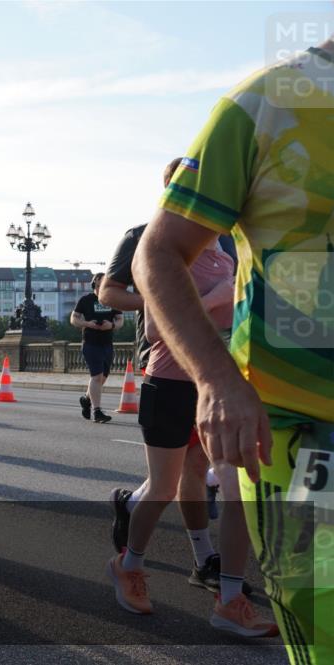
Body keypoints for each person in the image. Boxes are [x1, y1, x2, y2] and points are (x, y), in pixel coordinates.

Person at [134, 39, 334, 663]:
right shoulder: (265, 101)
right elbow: (156, 254)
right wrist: (218, 381)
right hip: (303, 429)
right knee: (326, 620)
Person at [106, 236, 275, 635]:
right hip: (169, 385)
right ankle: (128, 565)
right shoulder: (163, 251)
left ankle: (229, 601)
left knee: (238, 492)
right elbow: (154, 329)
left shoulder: (231, 255)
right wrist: (216, 297)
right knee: (163, 488)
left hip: (219, 388)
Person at [101, 159, 243, 595]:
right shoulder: (145, 238)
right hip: (164, 363)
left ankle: (208, 566)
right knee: (168, 481)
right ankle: (135, 543)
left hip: (213, 373)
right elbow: (109, 293)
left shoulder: (226, 243)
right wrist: (170, 299)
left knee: (198, 473)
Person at [71, 274, 122, 423]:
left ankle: (86, 399)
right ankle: (97, 411)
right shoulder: (86, 300)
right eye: (99, 285)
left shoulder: (112, 300)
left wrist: (112, 325)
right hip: (90, 343)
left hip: (107, 344)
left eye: (105, 285)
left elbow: (120, 320)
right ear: (94, 285)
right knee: (97, 376)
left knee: (103, 378)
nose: (102, 288)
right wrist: (87, 324)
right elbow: (73, 318)